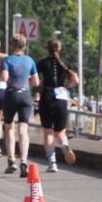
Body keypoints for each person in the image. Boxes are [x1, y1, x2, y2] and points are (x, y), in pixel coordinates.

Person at [36, 38, 79, 173]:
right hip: (61, 97)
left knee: (48, 132)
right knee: (60, 132)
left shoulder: (42, 63)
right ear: (60, 49)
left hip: (47, 97)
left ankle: (52, 163)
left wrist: (40, 84)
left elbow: (35, 80)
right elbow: (76, 80)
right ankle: (64, 144)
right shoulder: (66, 63)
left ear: (47, 48)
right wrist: (67, 86)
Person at [1, 34, 40, 178]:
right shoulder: (30, 60)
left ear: (12, 45)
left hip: (11, 95)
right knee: (23, 129)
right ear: (24, 46)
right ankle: (24, 160)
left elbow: (4, 78)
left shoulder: (7, 60)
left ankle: (11, 160)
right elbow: (36, 82)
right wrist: (25, 79)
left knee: (9, 127)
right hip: (25, 96)